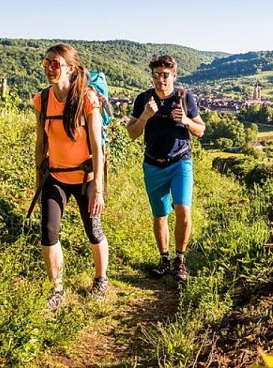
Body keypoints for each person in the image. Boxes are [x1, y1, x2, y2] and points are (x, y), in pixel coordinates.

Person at [34, 43, 109, 310]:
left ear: (71, 68)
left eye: (56, 64)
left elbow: (97, 149)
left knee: (94, 229)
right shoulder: (41, 100)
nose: (50, 69)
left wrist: (98, 189)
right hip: (55, 176)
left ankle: (101, 280)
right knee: (48, 232)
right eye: (46, 64)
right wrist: (38, 180)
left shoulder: (87, 100)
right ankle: (57, 290)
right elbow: (40, 143)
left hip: (86, 177)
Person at [126, 54, 205, 282]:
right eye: (157, 75)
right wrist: (145, 116)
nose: (161, 79)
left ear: (174, 75)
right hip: (153, 164)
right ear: (152, 76)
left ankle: (180, 259)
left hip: (180, 161)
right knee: (160, 215)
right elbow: (132, 133)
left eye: (165, 75)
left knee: (183, 209)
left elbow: (201, 130)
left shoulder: (184, 97)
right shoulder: (143, 99)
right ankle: (164, 259)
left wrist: (186, 121)